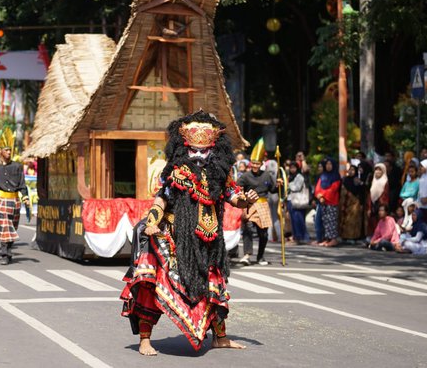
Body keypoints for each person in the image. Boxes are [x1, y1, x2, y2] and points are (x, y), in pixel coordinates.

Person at [120, 110, 258, 355]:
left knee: (215, 288)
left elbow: (233, 197)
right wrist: (152, 222)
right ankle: (144, 339)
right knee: (151, 283)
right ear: (184, 148)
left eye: (204, 152)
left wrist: (246, 201)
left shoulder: (221, 175)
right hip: (174, 239)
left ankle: (220, 337)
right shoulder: (176, 174)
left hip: (209, 242)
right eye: (193, 151)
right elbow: (161, 200)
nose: (198, 156)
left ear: (214, 150)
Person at [0, 127, 31, 265]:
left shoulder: (17, 166)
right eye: (6, 150)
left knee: (13, 227)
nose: (9, 152)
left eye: (10, 150)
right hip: (0, 199)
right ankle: (5, 255)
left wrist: (25, 197)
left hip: (14, 200)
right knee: (4, 227)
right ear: (0, 151)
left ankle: (8, 249)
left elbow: (22, 184)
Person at [237, 138, 282, 265]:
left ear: (261, 163)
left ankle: (260, 256)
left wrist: (279, 185)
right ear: (250, 163)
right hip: (249, 205)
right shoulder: (245, 176)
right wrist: (242, 199)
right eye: (253, 163)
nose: (255, 165)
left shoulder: (267, 175)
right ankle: (246, 254)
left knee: (263, 234)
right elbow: (237, 188)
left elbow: (273, 190)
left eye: (258, 163)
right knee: (248, 229)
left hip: (263, 204)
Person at [314, 158, 340, 247]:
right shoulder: (323, 176)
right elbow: (318, 188)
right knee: (325, 221)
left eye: (330, 164)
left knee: (331, 221)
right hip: (323, 202)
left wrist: (323, 196)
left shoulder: (336, 176)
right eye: (327, 164)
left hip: (332, 202)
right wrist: (319, 196)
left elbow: (333, 189)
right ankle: (327, 239)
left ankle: (333, 239)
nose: (328, 166)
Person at [339, 161, 365, 241]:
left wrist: (361, 203)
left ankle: (352, 237)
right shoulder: (345, 180)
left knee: (352, 221)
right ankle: (343, 236)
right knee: (344, 220)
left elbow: (361, 192)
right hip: (344, 203)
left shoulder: (358, 181)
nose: (351, 171)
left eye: (353, 170)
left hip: (354, 204)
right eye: (350, 169)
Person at [287, 161, 309, 244]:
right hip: (290, 200)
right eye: (291, 168)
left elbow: (296, 187)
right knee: (293, 220)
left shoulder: (299, 176)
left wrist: (288, 185)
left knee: (298, 219)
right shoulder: (290, 176)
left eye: (294, 168)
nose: (292, 169)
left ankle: (302, 237)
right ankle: (296, 236)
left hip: (298, 201)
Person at [367, 163, 390, 237]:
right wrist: (369, 207)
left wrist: (382, 206)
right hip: (373, 205)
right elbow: (370, 194)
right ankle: (372, 238)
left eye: (380, 169)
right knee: (372, 223)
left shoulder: (385, 182)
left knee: (380, 223)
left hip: (381, 205)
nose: (377, 171)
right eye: (376, 169)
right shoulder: (373, 181)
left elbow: (385, 195)